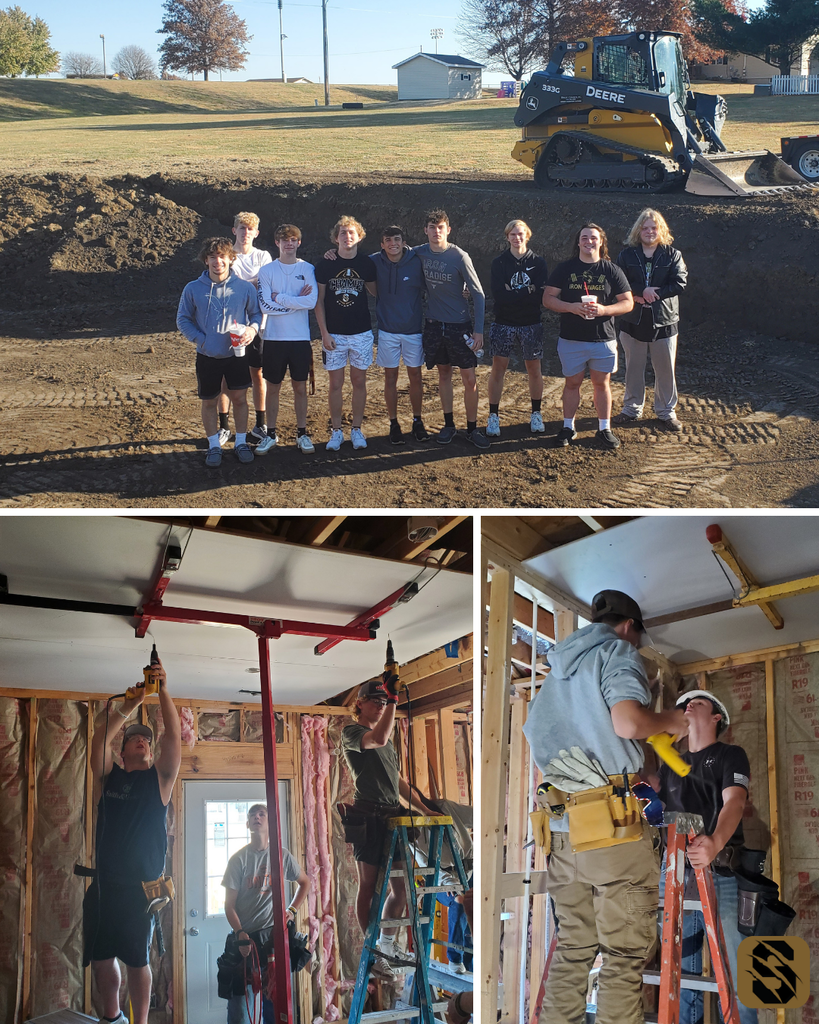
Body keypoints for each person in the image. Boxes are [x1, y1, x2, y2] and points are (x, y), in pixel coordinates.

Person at [521, 589, 689, 1024]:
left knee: (575, 949)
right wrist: (673, 720)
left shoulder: (556, 672)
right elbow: (628, 722)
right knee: (624, 956)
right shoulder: (617, 651)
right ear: (630, 626)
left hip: (562, 832)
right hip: (613, 835)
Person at [83, 657, 181, 1024]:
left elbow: (172, 736)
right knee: (101, 958)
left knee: (138, 959)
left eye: (146, 740)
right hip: (104, 887)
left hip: (141, 891)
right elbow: (99, 737)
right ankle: (111, 1018)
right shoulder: (107, 777)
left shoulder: (159, 781)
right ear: (122, 753)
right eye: (133, 739)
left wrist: (163, 691)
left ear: (151, 753)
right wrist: (133, 702)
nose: (141, 740)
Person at [650, 691, 756, 1024]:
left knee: (737, 971)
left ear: (716, 718)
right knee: (684, 972)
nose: (689, 704)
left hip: (720, 872)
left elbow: (734, 803)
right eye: (685, 703)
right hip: (677, 876)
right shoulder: (670, 764)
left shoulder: (730, 755)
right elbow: (657, 812)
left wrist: (715, 842)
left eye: (700, 702)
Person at [341, 675, 436, 978]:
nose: (381, 706)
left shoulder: (388, 740)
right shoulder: (352, 732)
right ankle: (371, 951)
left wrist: (423, 808)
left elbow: (397, 782)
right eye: (377, 701)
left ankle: (386, 944)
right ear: (360, 704)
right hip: (367, 816)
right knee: (368, 885)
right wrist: (394, 699)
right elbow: (378, 738)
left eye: (385, 701)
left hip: (392, 817)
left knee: (403, 889)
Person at [543, 224, 633, 450]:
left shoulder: (611, 270)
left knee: (601, 384)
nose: (589, 241)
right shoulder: (565, 268)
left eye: (593, 238)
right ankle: (568, 427)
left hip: (603, 339)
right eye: (584, 237)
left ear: (601, 242)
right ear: (578, 242)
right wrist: (571, 307)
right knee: (572, 383)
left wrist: (604, 310)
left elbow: (628, 302)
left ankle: (604, 429)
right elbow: (548, 299)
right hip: (572, 338)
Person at [176, 237, 262, 468]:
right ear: (206, 260)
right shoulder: (193, 288)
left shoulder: (243, 287)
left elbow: (256, 315)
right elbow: (182, 318)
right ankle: (214, 445)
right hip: (207, 356)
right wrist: (201, 340)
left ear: (230, 259)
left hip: (237, 355)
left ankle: (241, 442)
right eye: (213, 257)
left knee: (240, 399)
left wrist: (252, 331)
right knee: (209, 401)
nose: (218, 262)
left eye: (222, 256)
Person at [222, 803, 310, 1024]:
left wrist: (292, 910)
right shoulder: (238, 860)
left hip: (273, 939)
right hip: (245, 940)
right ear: (247, 824)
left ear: (270, 823)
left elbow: (305, 882)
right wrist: (240, 933)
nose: (257, 817)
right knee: (241, 1011)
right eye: (252, 815)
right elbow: (229, 905)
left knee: (276, 1006)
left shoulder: (281, 855)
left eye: (262, 814)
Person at [414, 209, 489, 449]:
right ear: (426, 230)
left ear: (448, 230)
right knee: (443, 374)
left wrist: (478, 331)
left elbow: (478, 294)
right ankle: (448, 425)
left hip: (460, 326)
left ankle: (472, 428)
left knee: (469, 378)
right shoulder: (419, 253)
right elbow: (390, 253)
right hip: (434, 325)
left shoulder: (459, 256)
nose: (437, 232)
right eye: (432, 227)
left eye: (441, 227)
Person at [615, 209, 688, 432]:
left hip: (664, 321)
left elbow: (680, 282)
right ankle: (631, 409)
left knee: (665, 369)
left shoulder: (672, 254)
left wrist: (653, 294)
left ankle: (666, 412)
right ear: (638, 230)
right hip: (632, 320)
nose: (649, 232)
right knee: (633, 368)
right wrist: (640, 291)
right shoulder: (627, 255)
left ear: (661, 230)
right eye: (645, 228)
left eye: (653, 228)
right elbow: (619, 281)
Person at [314, 216, 378, 451]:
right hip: (335, 335)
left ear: (359, 236)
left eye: (351, 233)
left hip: (361, 332)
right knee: (335, 384)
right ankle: (337, 431)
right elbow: (318, 302)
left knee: (359, 381)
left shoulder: (367, 264)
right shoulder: (325, 265)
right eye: (342, 233)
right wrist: (324, 333)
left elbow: (376, 291)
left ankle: (357, 429)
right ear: (335, 238)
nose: (347, 237)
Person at [254, 224, 318, 455]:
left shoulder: (308, 268)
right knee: (273, 388)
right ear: (277, 243)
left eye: (293, 240)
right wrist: (293, 303)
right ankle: (270, 434)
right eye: (284, 240)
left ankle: (302, 434)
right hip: (273, 339)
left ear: (299, 243)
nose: (289, 243)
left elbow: (310, 302)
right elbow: (265, 306)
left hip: (300, 339)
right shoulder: (267, 271)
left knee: (300, 387)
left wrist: (280, 298)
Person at [216, 213, 274, 447]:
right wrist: (253, 283)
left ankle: (260, 424)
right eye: (242, 228)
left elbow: (267, 284)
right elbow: (223, 282)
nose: (246, 232)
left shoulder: (263, 256)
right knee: (224, 377)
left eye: (250, 229)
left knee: (257, 373)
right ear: (234, 230)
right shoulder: (226, 256)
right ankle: (224, 426)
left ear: (257, 233)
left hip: (258, 325)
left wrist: (242, 284)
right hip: (229, 325)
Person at [486, 220, 549, 438]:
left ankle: (536, 413)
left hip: (531, 322)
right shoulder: (499, 263)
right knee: (498, 369)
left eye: (520, 234)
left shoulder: (538, 263)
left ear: (527, 236)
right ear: (507, 237)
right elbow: (499, 296)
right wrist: (527, 290)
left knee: (534, 369)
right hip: (503, 322)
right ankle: (493, 416)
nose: (517, 238)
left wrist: (514, 293)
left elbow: (540, 295)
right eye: (512, 234)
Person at [372, 225, 429, 445]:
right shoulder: (375, 261)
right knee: (390, 378)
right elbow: (350, 260)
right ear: (382, 244)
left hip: (413, 330)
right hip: (387, 331)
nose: (392, 244)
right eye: (388, 240)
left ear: (404, 242)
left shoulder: (417, 260)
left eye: (397, 239)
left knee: (416, 376)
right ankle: (394, 424)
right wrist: (331, 254)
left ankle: (417, 421)